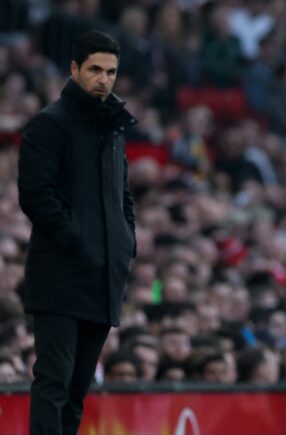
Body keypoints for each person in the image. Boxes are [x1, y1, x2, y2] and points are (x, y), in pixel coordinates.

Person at [18, 30, 137, 435]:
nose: (104, 79)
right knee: (54, 382)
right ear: (74, 68)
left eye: (111, 72)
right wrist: (77, 240)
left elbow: (123, 195)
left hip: (103, 276)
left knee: (76, 392)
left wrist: (124, 241)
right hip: (61, 274)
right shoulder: (49, 124)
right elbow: (35, 196)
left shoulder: (114, 127)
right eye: (95, 70)